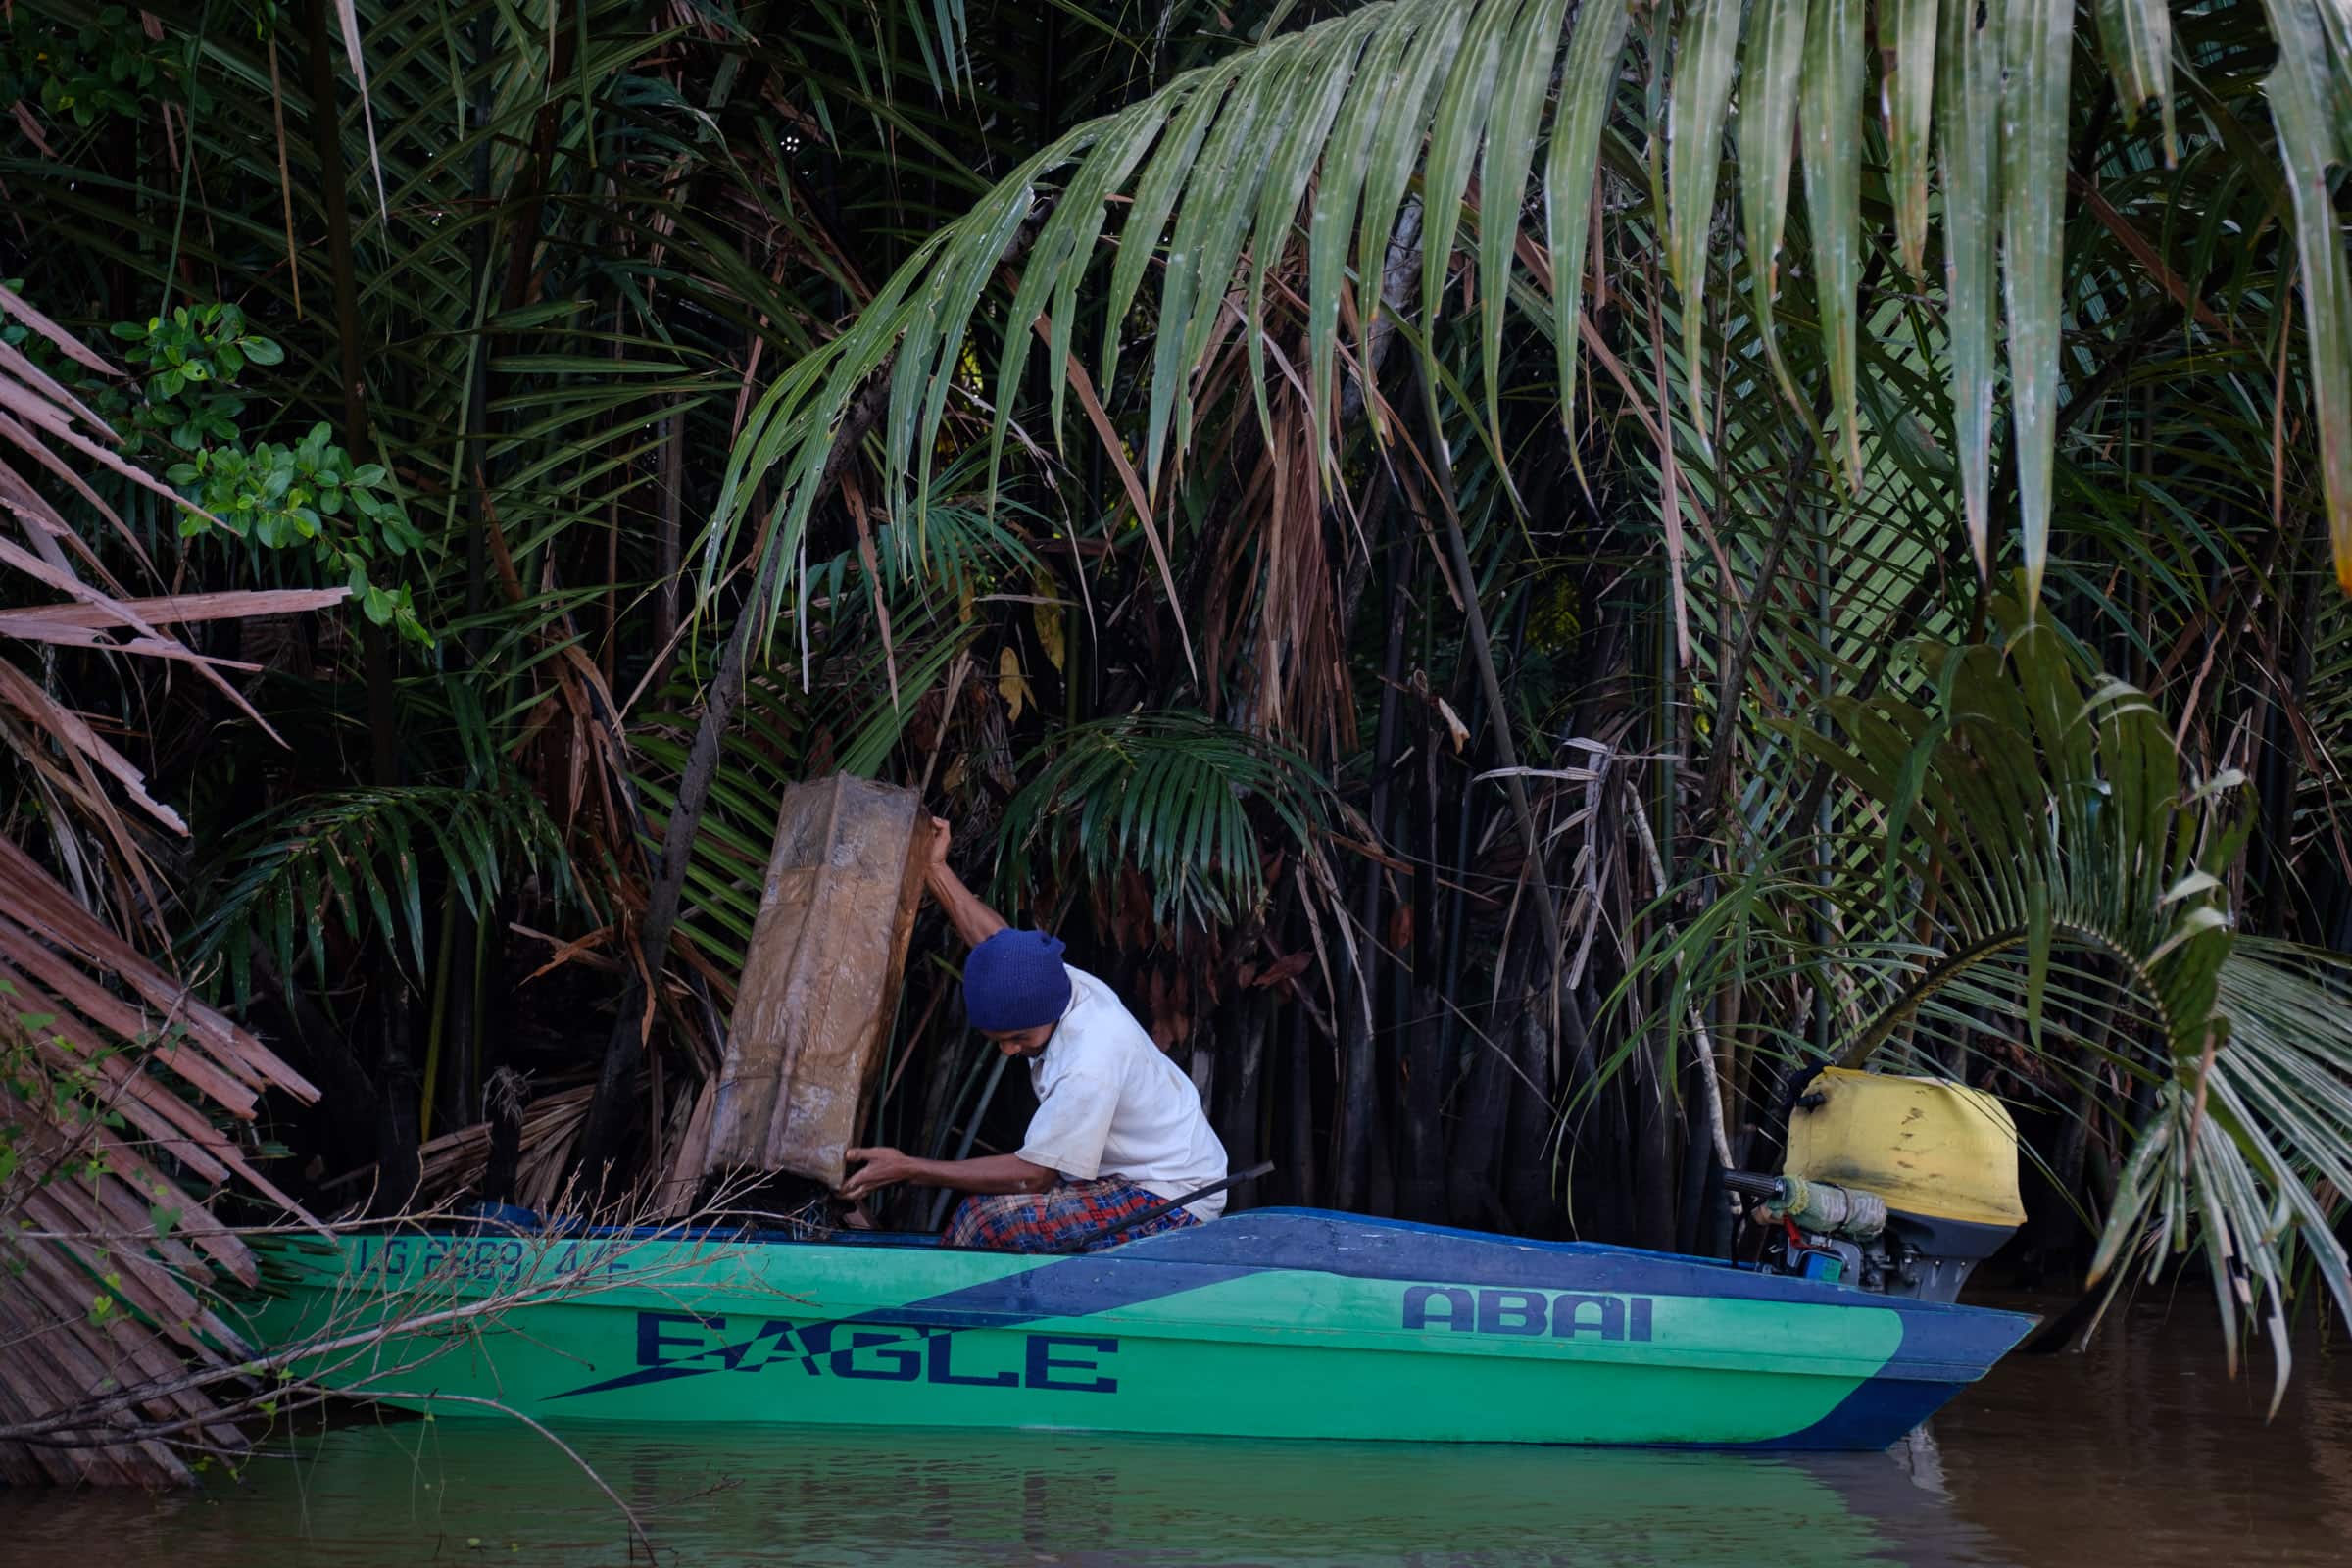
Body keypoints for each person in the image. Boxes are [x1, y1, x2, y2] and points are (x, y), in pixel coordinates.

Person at [840, 818, 1228, 1252]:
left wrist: (910, 1168)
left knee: (985, 1223)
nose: (1009, 1050)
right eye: (998, 1039)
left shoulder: (1089, 1062)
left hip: (1173, 1196)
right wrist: (934, 869)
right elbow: (994, 942)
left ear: (1047, 1011)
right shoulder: (1050, 981)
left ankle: (946, 1317)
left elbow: (1033, 1176)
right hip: (1135, 1170)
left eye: (1018, 1038)